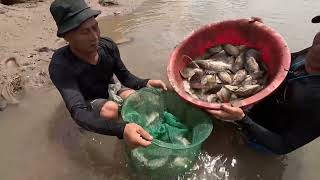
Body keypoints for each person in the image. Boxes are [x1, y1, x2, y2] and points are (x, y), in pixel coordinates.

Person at [49, 0, 167, 148]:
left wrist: (145, 83)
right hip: (87, 100)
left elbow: (125, 77)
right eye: (85, 32)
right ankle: (118, 133)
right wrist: (121, 129)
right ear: (67, 37)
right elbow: (78, 112)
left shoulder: (108, 46)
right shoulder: (60, 66)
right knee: (110, 110)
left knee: (134, 97)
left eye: (95, 27)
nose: (95, 37)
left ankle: (133, 131)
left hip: (108, 87)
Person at [206, 16, 320, 155]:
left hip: (265, 137)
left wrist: (243, 120)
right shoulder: (314, 51)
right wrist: (263, 39)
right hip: (256, 106)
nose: (319, 44)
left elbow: (282, 146)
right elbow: (281, 64)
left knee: (243, 150)